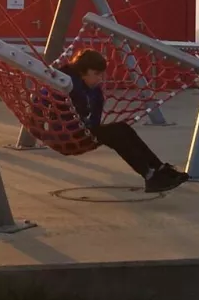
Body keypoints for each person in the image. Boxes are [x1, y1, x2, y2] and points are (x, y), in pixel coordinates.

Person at [60, 49, 188, 194]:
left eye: (101, 74)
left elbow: (95, 120)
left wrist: (92, 130)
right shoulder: (66, 82)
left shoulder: (95, 92)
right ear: (82, 72)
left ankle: (160, 169)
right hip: (65, 135)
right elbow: (51, 85)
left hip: (83, 133)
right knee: (116, 134)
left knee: (123, 128)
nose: (100, 78)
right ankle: (149, 175)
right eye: (96, 74)